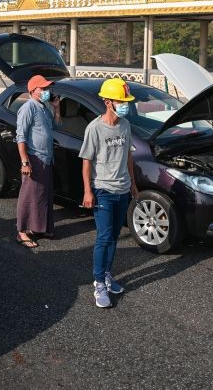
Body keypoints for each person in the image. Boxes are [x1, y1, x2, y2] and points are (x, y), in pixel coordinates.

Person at [79, 78, 139, 308]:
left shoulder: (125, 125)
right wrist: (88, 191)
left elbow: (128, 156)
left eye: (126, 101)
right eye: (121, 101)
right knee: (103, 237)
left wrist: (133, 183)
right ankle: (98, 284)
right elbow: (86, 162)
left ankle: (107, 275)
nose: (125, 105)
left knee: (114, 236)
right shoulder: (94, 128)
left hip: (123, 189)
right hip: (103, 190)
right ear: (107, 102)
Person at [15, 75, 62, 248]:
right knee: (29, 195)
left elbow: (57, 126)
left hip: (46, 158)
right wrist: (25, 162)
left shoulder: (44, 108)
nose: (46, 92)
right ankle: (22, 232)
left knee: (43, 195)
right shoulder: (28, 108)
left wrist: (56, 108)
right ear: (33, 90)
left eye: (47, 88)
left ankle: (40, 228)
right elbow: (20, 137)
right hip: (34, 157)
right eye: (43, 89)